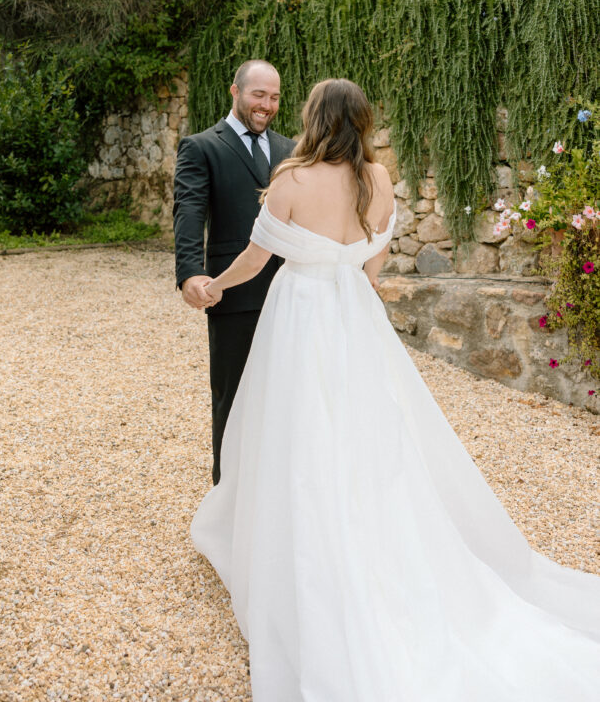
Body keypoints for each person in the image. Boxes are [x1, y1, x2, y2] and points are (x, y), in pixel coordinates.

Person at [191, 78, 600, 702]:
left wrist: (214, 285)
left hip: (300, 312)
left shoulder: (292, 181)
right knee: (369, 429)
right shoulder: (379, 183)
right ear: (360, 120)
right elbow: (373, 265)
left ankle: (305, 548)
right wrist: (349, 282)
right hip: (353, 311)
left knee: (299, 426)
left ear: (312, 118)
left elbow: (256, 258)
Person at [173, 59, 294, 485]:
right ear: (235, 91)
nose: (267, 105)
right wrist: (191, 272)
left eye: (275, 97)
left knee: (286, 399)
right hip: (233, 295)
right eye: (259, 94)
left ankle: (277, 494)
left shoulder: (290, 150)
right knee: (233, 398)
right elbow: (189, 211)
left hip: (291, 292)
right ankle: (228, 500)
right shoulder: (202, 146)